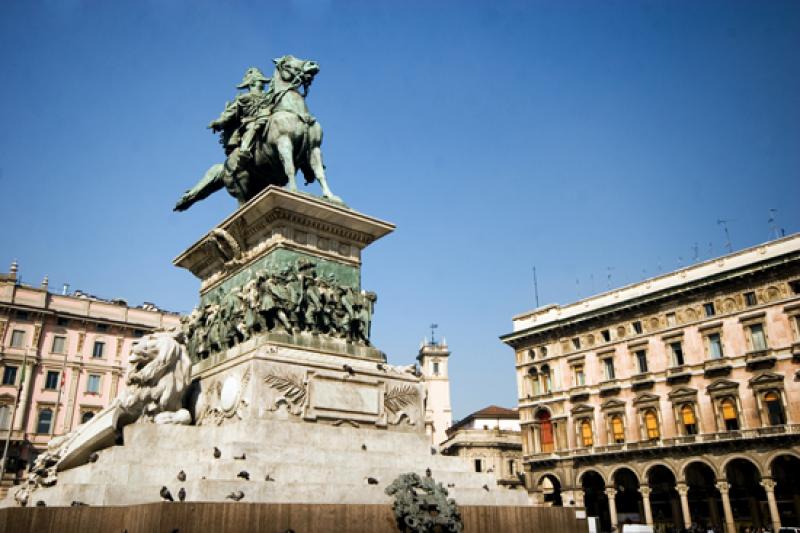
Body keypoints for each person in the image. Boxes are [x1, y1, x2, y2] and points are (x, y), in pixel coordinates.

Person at [208, 67, 272, 167]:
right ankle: (244, 150)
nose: (263, 83)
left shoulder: (269, 97)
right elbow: (230, 113)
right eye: (261, 81)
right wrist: (218, 123)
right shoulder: (244, 98)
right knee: (252, 127)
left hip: (268, 121)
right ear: (252, 83)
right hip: (251, 122)